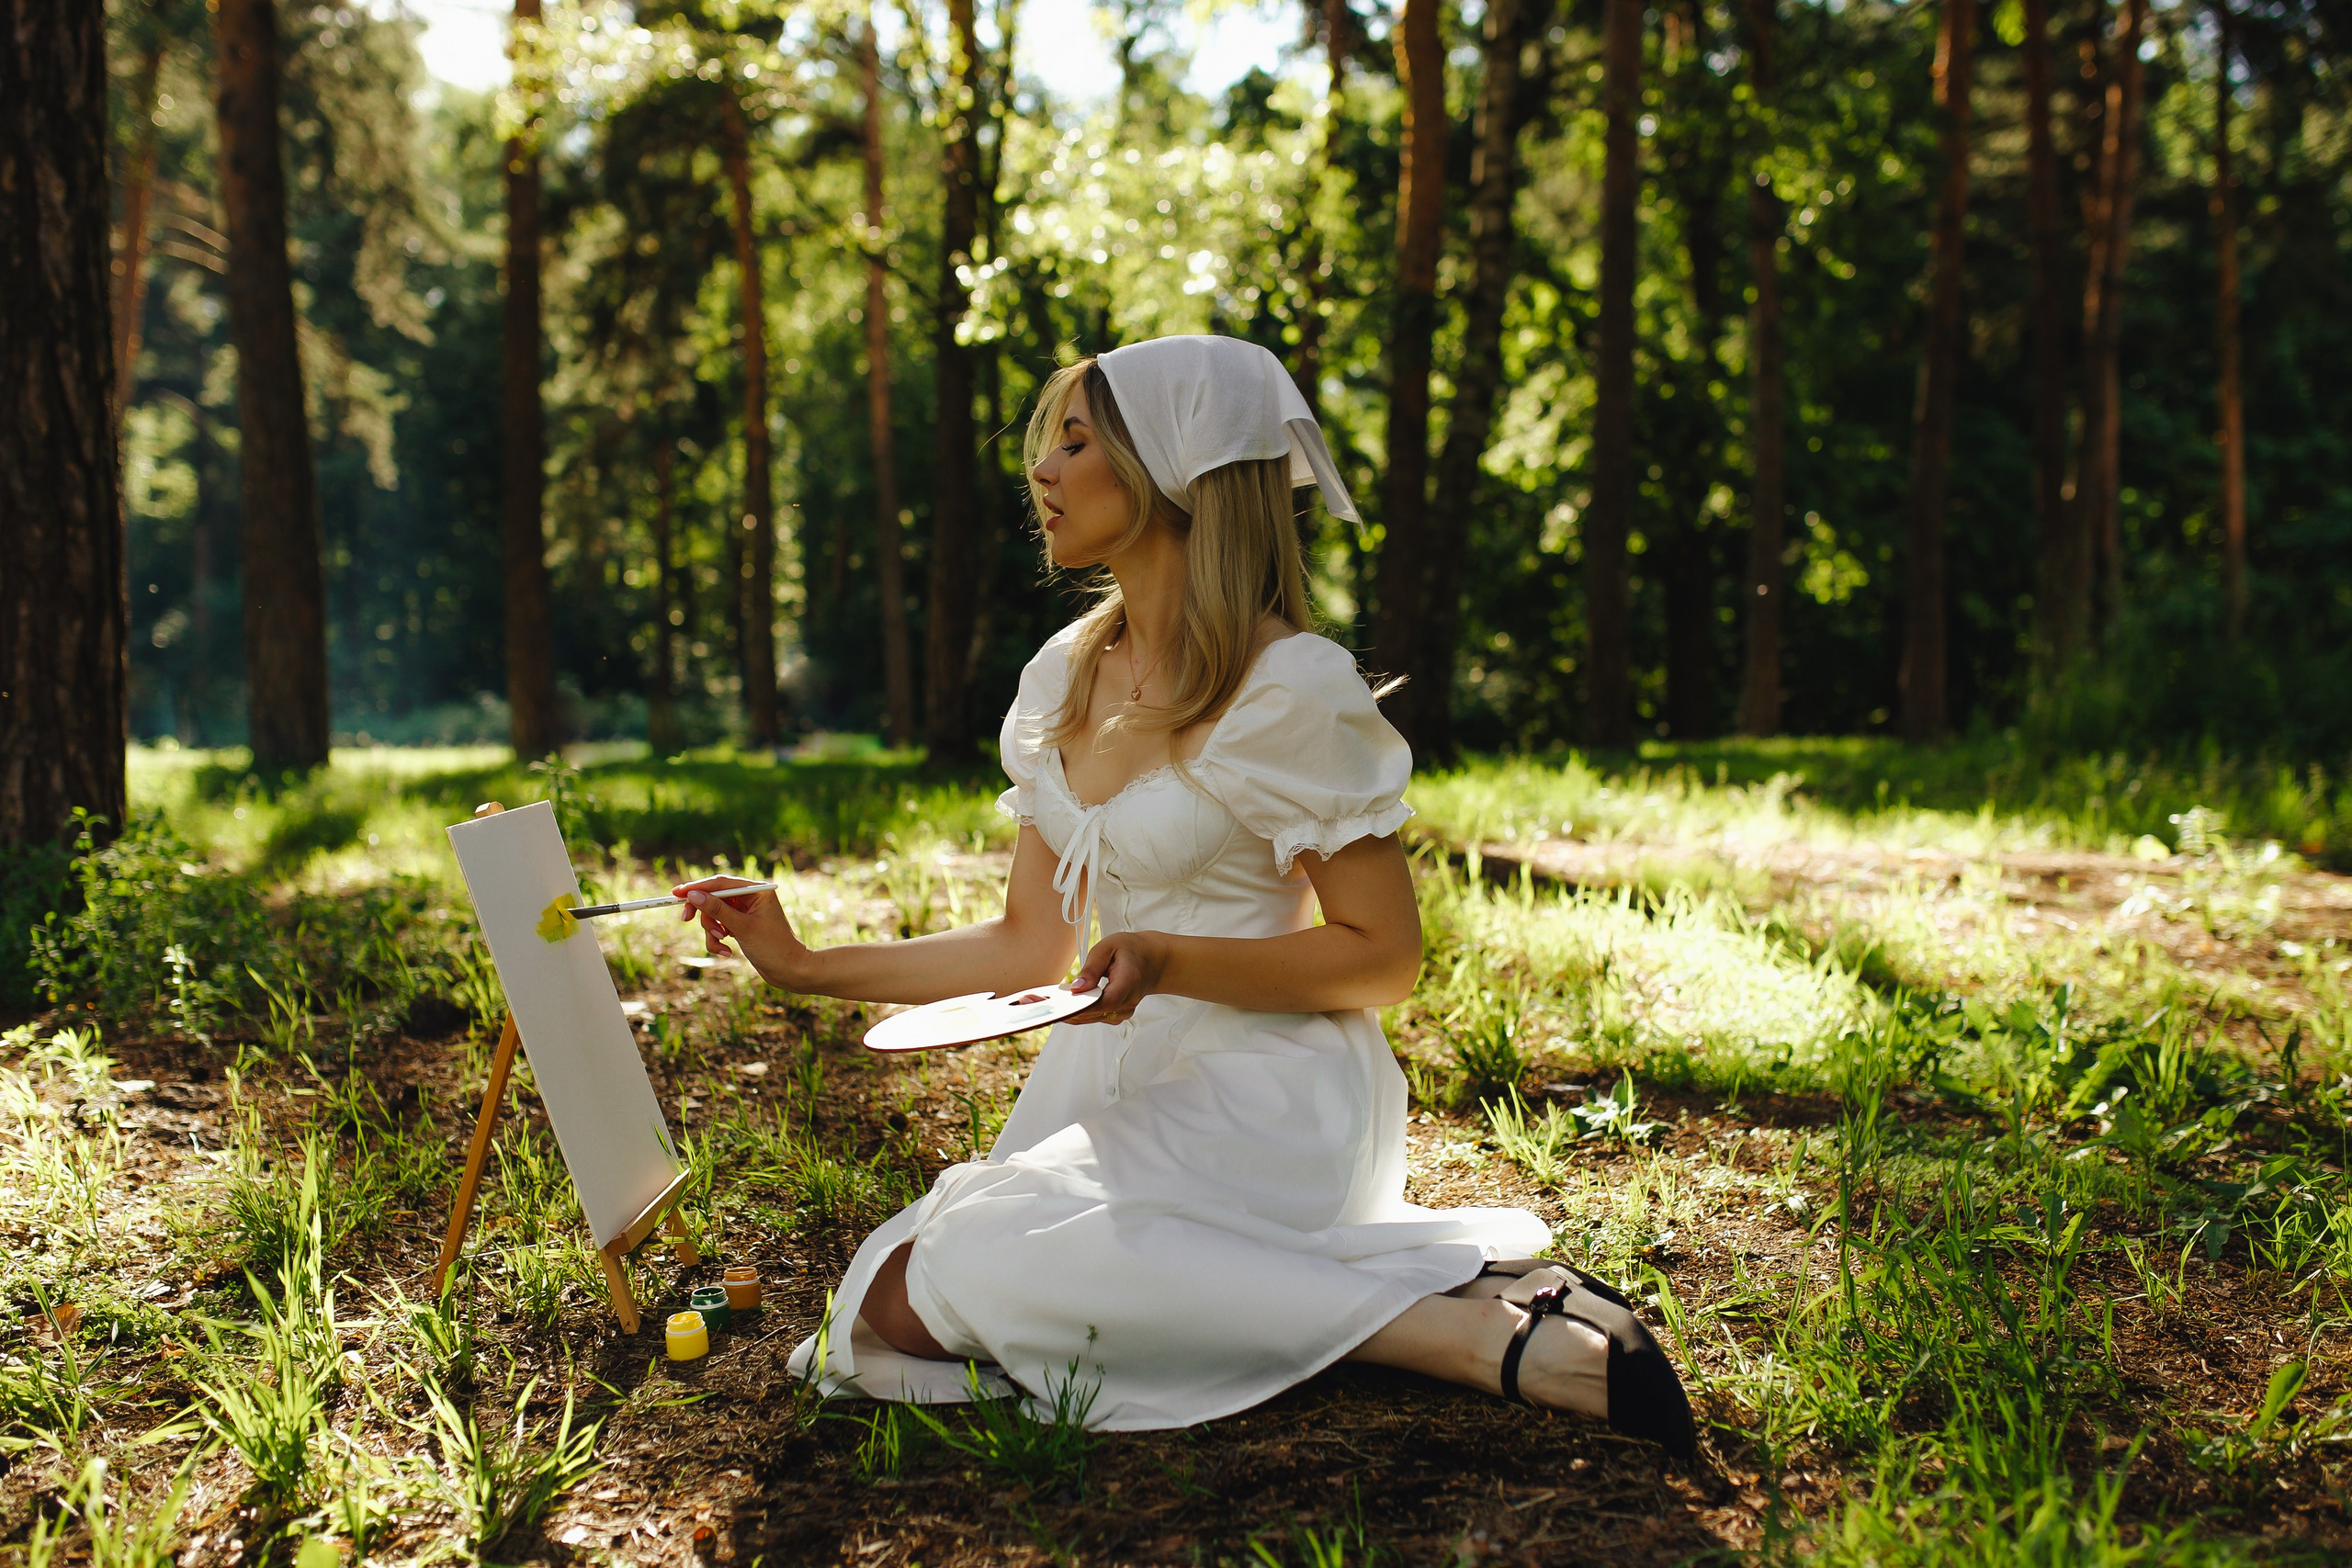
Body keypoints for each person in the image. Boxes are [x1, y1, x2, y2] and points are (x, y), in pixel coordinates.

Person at [673, 335, 1693, 1456]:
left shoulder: (1288, 684)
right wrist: (802, 962)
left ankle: (1462, 1338)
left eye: (1076, 442)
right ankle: (1385, 1296)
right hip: (1108, 1086)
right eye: (1049, 444)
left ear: (1173, 468)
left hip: (1271, 1092)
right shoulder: (1060, 675)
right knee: (892, 1299)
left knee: (973, 1263)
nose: (1043, 470)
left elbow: (1383, 955)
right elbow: (1027, 944)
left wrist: (1170, 960)